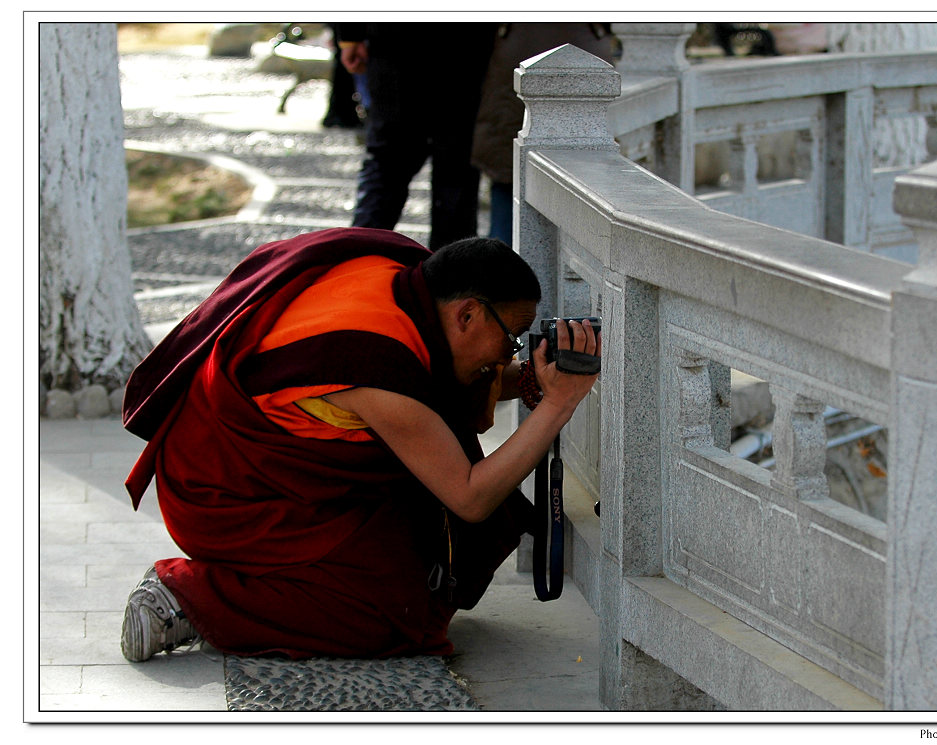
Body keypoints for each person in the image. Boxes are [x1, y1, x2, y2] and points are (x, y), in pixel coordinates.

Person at [118, 226, 600, 662]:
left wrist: (533, 381)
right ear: (468, 314)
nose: (505, 357)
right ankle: (186, 596)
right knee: (387, 616)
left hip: (268, 464)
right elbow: (470, 495)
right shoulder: (376, 365)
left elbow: (438, 376)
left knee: (413, 558)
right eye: (510, 340)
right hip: (228, 495)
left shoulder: (402, 281)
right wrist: (559, 404)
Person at [334, 23, 496, 249]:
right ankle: (451, 275)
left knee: (387, 164)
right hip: (464, 43)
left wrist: (350, 37)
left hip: (396, 38)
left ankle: (357, 259)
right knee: (455, 168)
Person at [471, 23, 615, 245]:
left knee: (508, 172)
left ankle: (499, 266)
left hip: (518, 50)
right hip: (584, 50)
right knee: (581, 180)